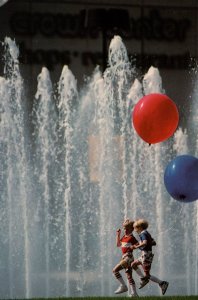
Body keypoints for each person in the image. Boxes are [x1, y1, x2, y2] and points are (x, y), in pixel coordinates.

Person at [131, 218, 169, 295]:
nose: (134, 230)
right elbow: (153, 242)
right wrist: (145, 244)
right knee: (133, 264)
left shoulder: (143, 234)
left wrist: (136, 246)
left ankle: (162, 283)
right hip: (145, 255)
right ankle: (143, 279)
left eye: (135, 228)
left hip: (146, 256)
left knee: (147, 275)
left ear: (140, 227)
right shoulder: (147, 233)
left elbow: (144, 243)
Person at [112, 218, 144, 297]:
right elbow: (118, 245)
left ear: (131, 229)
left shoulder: (131, 238)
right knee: (129, 276)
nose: (125, 230)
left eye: (127, 228)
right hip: (124, 258)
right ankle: (134, 293)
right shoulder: (124, 237)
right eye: (124, 228)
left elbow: (138, 245)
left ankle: (123, 286)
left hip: (128, 258)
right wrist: (118, 235)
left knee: (115, 270)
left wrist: (133, 247)